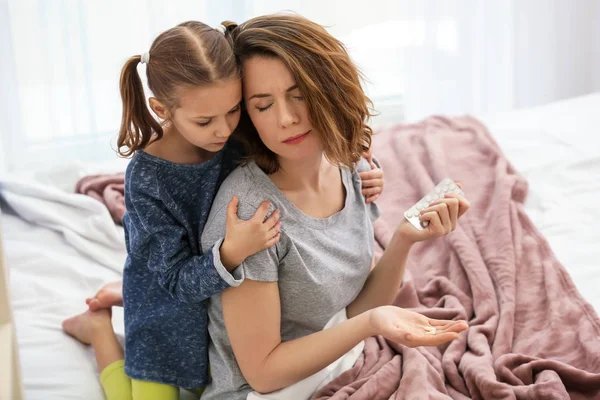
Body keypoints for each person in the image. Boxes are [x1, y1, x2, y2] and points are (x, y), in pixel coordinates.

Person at [61, 19, 386, 400]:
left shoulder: (234, 137)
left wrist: (360, 163)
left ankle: (123, 293)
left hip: (219, 297)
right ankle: (98, 330)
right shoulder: (147, 179)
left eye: (234, 111)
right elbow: (174, 279)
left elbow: (303, 143)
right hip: (167, 306)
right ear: (160, 108)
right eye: (205, 121)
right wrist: (232, 252)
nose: (223, 130)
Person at [197, 13, 470, 400]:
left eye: (299, 94)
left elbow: (353, 310)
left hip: (337, 361)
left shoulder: (349, 166)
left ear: (328, 88)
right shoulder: (249, 215)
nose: (287, 119)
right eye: (263, 106)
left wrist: (405, 239)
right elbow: (262, 373)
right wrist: (371, 324)